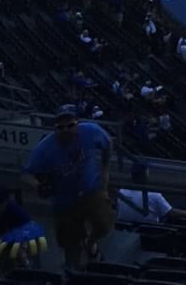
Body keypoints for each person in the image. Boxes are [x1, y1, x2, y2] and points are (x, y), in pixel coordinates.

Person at [21, 105, 114, 267]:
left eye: (70, 125)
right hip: (64, 201)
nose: (66, 129)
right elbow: (25, 174)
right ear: (55, 128)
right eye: (60, 127)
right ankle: (74, 274)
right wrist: (37, 186)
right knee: (70, 245)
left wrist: (105, 172)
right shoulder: (44, 148)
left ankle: (90, 242)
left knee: (104, 225)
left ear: (77, 123)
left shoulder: (91, 131)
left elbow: (108, 143)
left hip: (91, 190)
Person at [0, 184, 48, 268]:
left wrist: (23, 247)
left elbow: (29, 229)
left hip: (23, 239)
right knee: (4, 259)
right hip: (6, 240)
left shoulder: (14, 211)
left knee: (24, 258)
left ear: (4, 202)